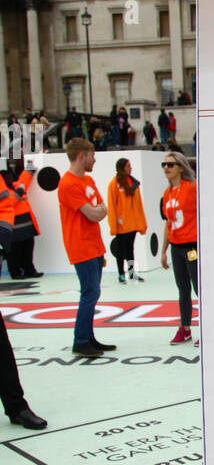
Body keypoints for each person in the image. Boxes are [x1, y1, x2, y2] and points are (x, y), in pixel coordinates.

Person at [57, 138, 117, 358]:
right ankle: (81, 340)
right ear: (81, 155)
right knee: (89, 293)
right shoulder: (68, 183)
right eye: (92, 155)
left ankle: (87, 337)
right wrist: (97, 211)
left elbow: (103, 209)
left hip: (94, 244)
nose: (94, 159)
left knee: (93, 292)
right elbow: (94, 213)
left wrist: (97, 211)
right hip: (80, 245)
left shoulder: (88, 181)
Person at [160, 150, 198, 344]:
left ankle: (208, 329)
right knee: (182, 289)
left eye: (170, 165)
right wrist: (163, 251)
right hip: (176, 248)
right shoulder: (167, 193)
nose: (166, 168)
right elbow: (168, 222)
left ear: (181, 168)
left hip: (192, 247)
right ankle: (185, 328)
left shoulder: (192, 188)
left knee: (199, 288)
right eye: (164, 165)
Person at [107, 158, 147, 283]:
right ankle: (121, 273)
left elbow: (138, 204)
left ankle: (131, 272)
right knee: (121, 250)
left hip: (133, 224)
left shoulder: (133, 182)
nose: (131, 168)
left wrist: (141, 222)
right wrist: (113, 224)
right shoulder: (114, 184)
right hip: (122, 224)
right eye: (128, 166)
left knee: (130, 249)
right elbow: (112, 205)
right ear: (122, 167)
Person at [0, 159, 42, 278]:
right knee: (14, 253)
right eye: (6, 178)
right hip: (12, 231)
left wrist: (30, 166)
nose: (10, 180)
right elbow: (9, 203)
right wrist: (18, 193)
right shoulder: (4, 193)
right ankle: (15, 273)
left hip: (27, 228)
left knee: (28, 251)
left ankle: (30, 270)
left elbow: (25, 178)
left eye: (10, 177)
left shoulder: (17, 186)